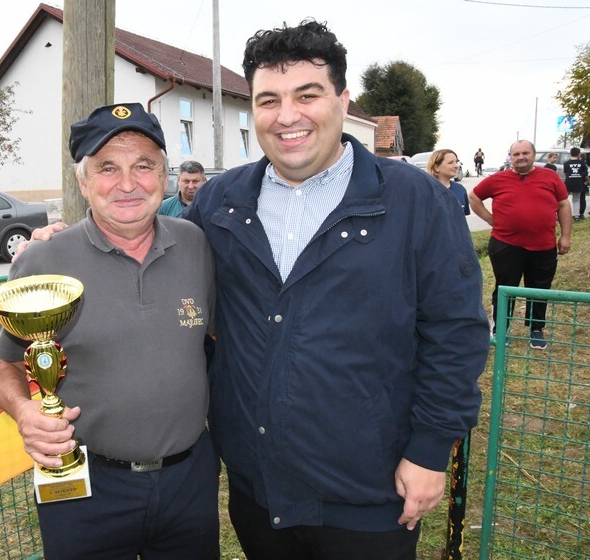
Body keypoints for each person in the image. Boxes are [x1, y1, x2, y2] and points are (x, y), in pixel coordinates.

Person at [180, 20, 488, 560]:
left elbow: (456, 333)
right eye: (269, 100)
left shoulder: (415, 200)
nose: (287, 115)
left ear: (343, 102)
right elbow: (160, 264)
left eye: (307, 95)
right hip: (258, 492)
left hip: (370, 497)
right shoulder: (220, 202)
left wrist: (430, 449)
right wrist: (72, 247)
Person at [0, 103, 218, 560]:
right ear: (83, 182)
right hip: (85, 486)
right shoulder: (43, 260)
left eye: (144, 166)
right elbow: (2, 364)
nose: (128, 184)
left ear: (165, 176)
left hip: (189, 481)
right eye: (108, 168)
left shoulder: (196, 244)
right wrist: (25, 411)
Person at [468, 140, 572, 350]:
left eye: (525, 153)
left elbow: (563, 205)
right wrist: (490, 219)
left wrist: (565, 236)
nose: (521, 157)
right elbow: (474, 196)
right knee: (505, 287)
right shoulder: (498, 179)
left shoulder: (550, 177)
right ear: (511, 157)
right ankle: (500, 328)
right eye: (516, 154)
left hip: (543, 246)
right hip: (506, 245)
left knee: (540, 288)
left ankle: (536, 328)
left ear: (533, 155)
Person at [428, 149, 471, 215]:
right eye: (450, 163)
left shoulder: (460, 189)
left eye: (456, 162)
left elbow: (463, 216)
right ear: (436, 167)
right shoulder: (426, 191)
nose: (456, 166)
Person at [563, 146, 588, 220]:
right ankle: (576, 216)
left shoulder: (566, 163)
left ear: (570, 154)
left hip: (568, 183)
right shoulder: (582, 163)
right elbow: (585, 174)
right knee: (576, 199)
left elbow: (565, 173)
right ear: (579, 154)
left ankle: (561, 214)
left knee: (564, 198)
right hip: (578, 183)